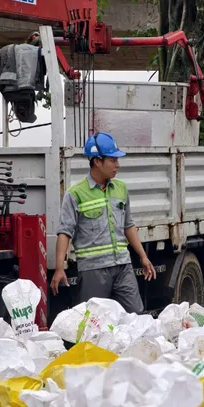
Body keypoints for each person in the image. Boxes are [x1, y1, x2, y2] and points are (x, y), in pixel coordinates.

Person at [52, 132, 156, 313]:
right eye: (113, 160)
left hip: (122, 265)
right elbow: (65, 232)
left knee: (136, 317)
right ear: (97, 161)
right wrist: (60, 267)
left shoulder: (121, 189)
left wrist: (143, 256)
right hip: (94, 269)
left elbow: (128, 225)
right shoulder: (75, 194)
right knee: (95, 323)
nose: (118, 165)